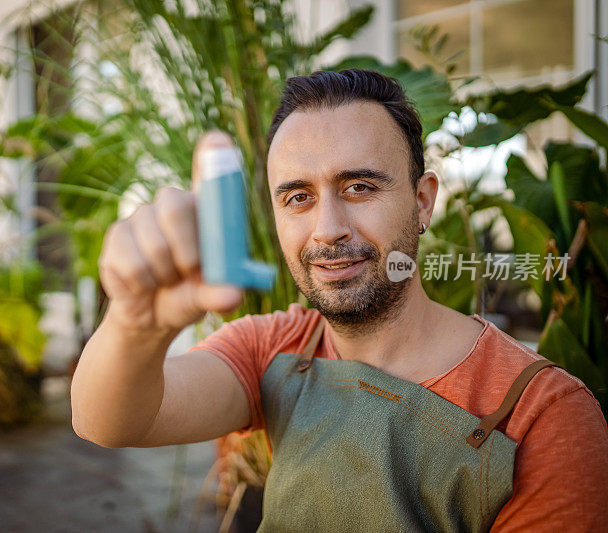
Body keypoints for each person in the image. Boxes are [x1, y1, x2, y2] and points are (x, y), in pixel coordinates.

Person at [71, 69, 608, 531]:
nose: (327, 229)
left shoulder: (545, 415)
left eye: (359, 187)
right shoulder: (277, 346)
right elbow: (111, 423)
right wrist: (137, 324)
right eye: (298, 197)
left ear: (423, 202)